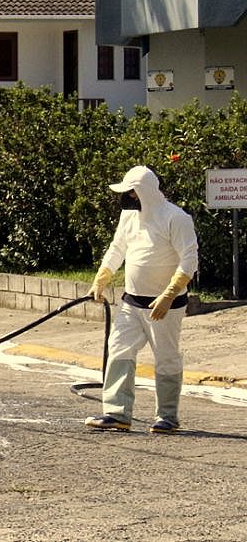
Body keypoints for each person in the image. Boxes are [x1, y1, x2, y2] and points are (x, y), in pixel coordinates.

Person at [85, 165, 198, 434]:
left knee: (166, 357)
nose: (126, 197)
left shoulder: (176, 218)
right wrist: (102, 278)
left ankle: (167, 417)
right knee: (119, 349)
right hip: (131, 302)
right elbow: (117, 248)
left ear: (143, 192)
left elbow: (189, 258)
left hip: (165, 305)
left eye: (131, 192)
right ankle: (116, 412)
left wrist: (169, 294)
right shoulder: (128, 217)